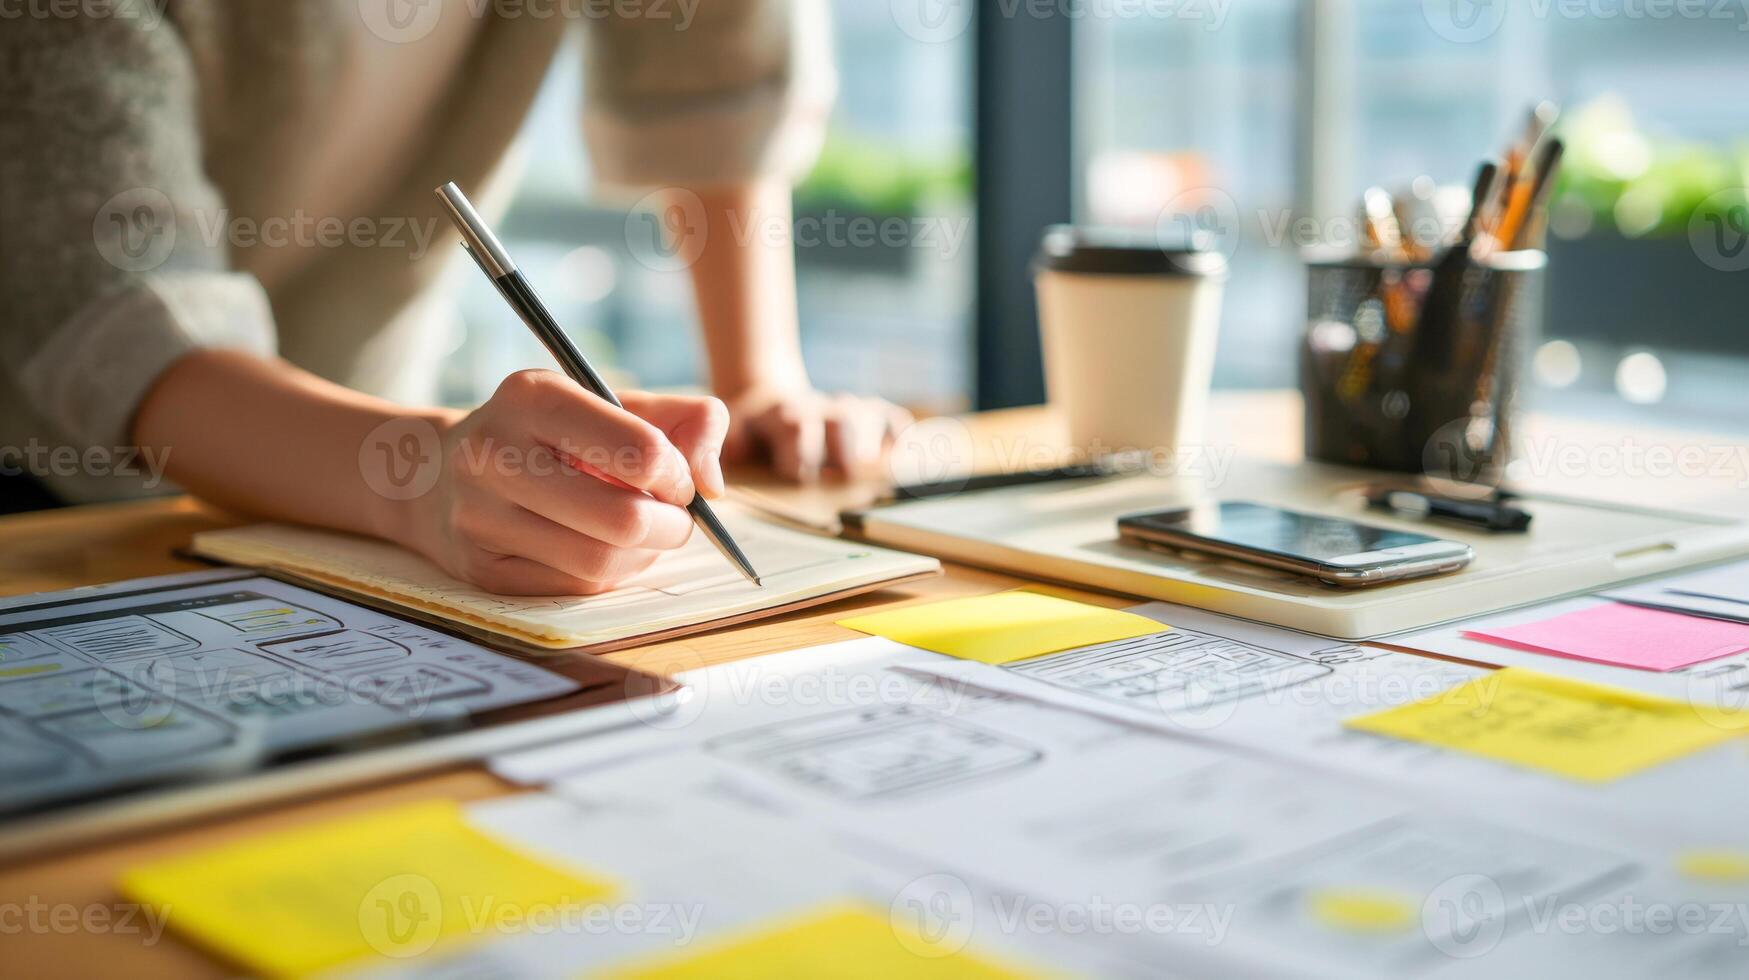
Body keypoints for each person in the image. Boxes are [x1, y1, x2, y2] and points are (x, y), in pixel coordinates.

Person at [0, 1, 910, 595]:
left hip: (374, 486)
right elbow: (118, 316)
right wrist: (415, 479)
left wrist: (756, 380)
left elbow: (713, 64)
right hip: (61, 505)